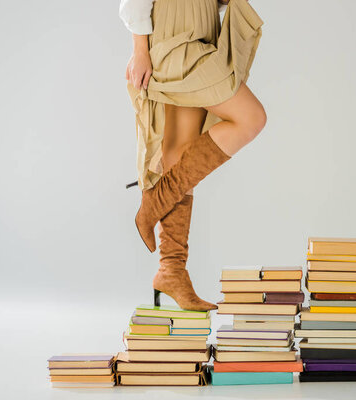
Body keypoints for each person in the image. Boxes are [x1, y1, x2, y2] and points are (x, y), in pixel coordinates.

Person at [119, 0, 266, 311]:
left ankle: (171, 270)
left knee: (178, 151)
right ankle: (154, 203)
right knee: (251, 118)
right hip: (174, 34)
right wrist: (140, 50)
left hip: (201, 32)